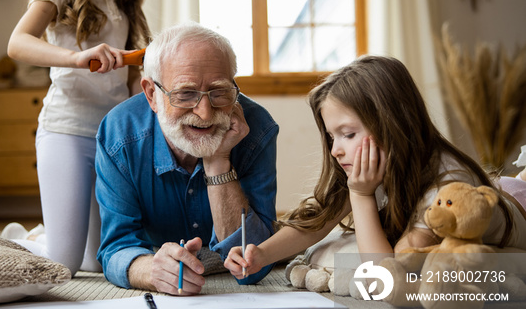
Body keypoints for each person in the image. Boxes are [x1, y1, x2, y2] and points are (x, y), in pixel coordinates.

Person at [225, 55, 526, 279]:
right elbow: (315, 224)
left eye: (349, 134)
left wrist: (361, 196)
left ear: (392, 124)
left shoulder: (444, 188)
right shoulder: (369, 163)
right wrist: (260, 254)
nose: (335, 150)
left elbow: (385, 275)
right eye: (332, 136)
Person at [3, 0, 150, 275]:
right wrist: (76, 57)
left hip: (109, 139)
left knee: (98, 263)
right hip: (66, 130)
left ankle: (42, 236)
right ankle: (19, 241)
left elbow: (131, 77)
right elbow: (17, 43)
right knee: (62, 263)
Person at [95, 22, 279, 295]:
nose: (205, 113)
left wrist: (218, 160)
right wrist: (151, 269)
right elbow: (116, 246)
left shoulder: (257, 129)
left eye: (219, 92)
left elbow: (253, 266)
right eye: (185, 94)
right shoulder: (119, 134)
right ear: (151, 95)